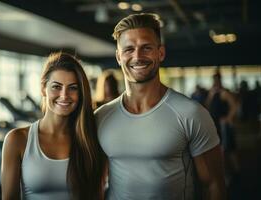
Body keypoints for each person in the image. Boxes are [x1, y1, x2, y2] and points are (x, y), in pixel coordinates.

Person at [95, 13, 226, 200]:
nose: (137, 56)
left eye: (146, 48)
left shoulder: (191, 114)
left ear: (161, 53)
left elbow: (214, 186)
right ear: (118, 57)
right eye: (129, 49)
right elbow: (96, 185)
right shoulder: (101, 117)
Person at [1, 52, 105, 200]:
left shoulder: (89, 138)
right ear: (43, 88)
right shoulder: (17, 140)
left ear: (81, 93)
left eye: (73, 88)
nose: (64, 95)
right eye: (56, 86)